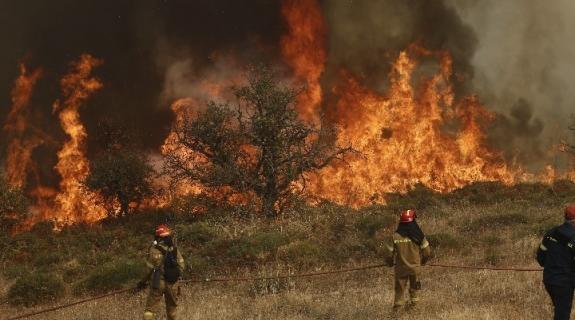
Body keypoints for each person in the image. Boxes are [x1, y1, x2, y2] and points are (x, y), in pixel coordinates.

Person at [385, 209, 432, 311]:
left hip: (401, 269)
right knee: (414, 289)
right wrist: (423, 262)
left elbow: (389, 254)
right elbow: (427, 252)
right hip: (415, 268)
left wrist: (390, 263)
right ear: (413, 222)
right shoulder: (419, 236)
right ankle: (415, 309)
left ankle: (397, 312)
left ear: (401, 223)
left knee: (399, 291)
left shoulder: (395, 236)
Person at [138, 224, 186, 320]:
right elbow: (181, 265)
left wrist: (142, 282)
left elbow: (148, 269)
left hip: (158, 283)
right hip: (172, 284)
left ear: (158, 237)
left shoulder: (154, 250)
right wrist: (174, 277)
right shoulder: (174, 249)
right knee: (172, 310)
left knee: (150, 310)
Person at [536, 204, 575, 320]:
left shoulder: (551, 233)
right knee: (562, 315)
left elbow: (541, 259)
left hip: (549, 280)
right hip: (564, 283)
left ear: (565, 217)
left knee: (560, 309)